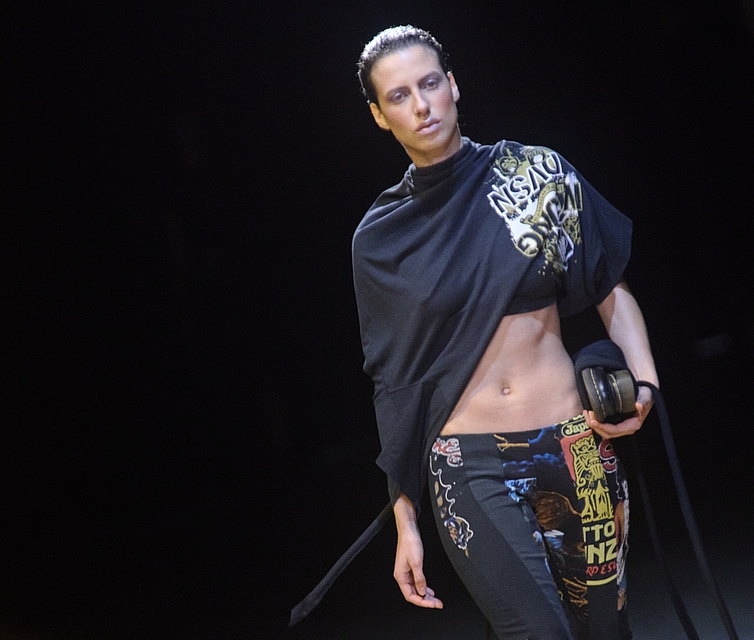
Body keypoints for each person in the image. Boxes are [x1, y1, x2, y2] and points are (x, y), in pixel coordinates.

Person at [352, 25, 659, 639]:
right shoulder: (381, 238)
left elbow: (610, 285)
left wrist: (645, 384)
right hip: (468, 465)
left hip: (577, 444)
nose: (421, 105)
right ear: (380, 115)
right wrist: (404, 517)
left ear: (453, 85)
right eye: (399, 95)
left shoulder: (536, 175)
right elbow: (395, 380)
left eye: (430, 83)